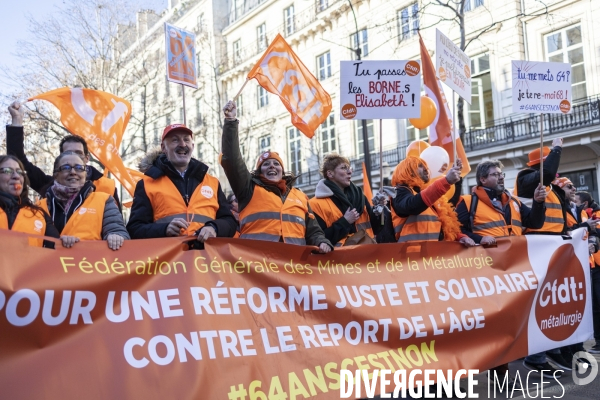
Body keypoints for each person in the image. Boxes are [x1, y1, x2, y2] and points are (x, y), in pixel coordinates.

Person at [456, 160, 548, 387]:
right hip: (485, 273)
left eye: (501, 173)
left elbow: (535, 222)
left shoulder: (514, 201)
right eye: (495, 174)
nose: (500, 177)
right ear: (482, 179)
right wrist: (479, 239)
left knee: (511, 322)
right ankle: (500, 376)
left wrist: (538, 202)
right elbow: (456, 231)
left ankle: (507, 367)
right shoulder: (468, 202)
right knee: (495, 325)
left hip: (514, 271)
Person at [221, 100, 332, 253]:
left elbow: (313, 231)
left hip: (293, 267)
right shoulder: (248, 189)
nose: (272, 166)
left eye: (276, 163)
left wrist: (322, 242)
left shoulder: (300, 197)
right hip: (257, 266)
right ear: (259, 172)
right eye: (266, 164)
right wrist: (231, 122)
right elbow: (232, 160)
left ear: (282, 170)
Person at [127, 124, 237, 243]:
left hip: (206, 259)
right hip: (169, 260)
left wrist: (214, 228)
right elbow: (134, 229)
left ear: (192, 146)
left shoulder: (213, 182)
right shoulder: (146, 184)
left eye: (186, 139)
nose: (182, 144)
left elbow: (230, 222)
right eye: (175, 140)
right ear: (164, 148)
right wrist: (164, 230)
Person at [6, 101, 121, 210]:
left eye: (78, 153)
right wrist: (17, 120)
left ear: (87, 158)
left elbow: (117, 225)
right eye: (68, 153)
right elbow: (17, 161)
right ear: (60, 159)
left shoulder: (107, 187)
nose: (73, 157)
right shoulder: (48, 186)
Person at [39, 151, 129, 250]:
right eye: (66, 168)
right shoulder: (39, 207)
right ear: (55, 174)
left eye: (79, 168)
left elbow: (118, 231)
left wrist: (116, 236)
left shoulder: (104, 200)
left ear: (85, 173)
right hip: (50, 264)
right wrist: (57, 242)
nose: (73, 172)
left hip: (91, 264)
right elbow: (31, 241)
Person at [390, 155, 474, 246]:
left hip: (435, 256)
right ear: (408, 171)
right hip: (412, 257)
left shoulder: (430, 196)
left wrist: (460, 237)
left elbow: (445, 226)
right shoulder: (399, 191)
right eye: (420, 166)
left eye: (425, 166)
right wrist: (446, 181)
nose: (426, 169)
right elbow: (412, 206)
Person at [309, 153, 385, 246]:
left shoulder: (360, 197)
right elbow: (317, 238)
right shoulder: (315, 204)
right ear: (330, 173)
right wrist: (345, 222)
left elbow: (376, 228)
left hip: (367, 256)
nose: (349, 172)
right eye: (344, 168)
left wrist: (378, 211)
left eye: (349, 168)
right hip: (340, 259)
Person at [0, 155, 59, 247]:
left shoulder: (39, 214)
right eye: (8, 171)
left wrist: (67, 241)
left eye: (20, 172)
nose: (16, 176)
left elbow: (57, 249)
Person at [575, 191, 600, 354]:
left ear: (584, 204)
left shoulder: (596, 216)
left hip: (596, 264)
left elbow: (596, 236)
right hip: (592, 265)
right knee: (596, 306)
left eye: (577, 201)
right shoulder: (584, 214)